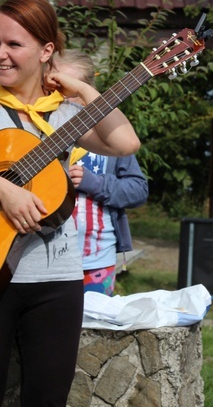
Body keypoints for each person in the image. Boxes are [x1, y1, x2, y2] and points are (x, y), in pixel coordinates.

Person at [0, 0, 140, 406]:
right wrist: (5, 190)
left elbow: (126, 142)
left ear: (46, 51)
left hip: (57, 282)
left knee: (48, 400)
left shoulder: (67, 114)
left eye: (13, 44)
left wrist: (78, 87)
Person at [53, 49, 149, 296]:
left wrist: (92, 182)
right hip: (47, 260)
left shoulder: (108, 141)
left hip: (96, 260)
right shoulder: (40, 130)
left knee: (93, 330)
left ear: (86, 96)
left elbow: (138, 190)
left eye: (67, 91)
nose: (59, 99)